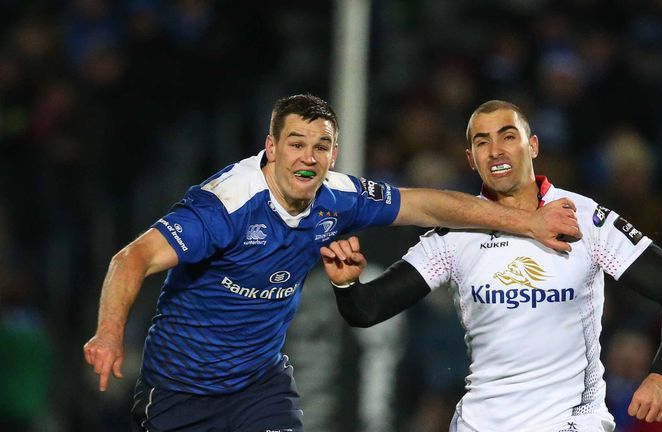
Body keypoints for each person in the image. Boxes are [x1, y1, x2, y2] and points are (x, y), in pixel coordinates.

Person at [82, 94, 581, 432]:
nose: (309, 157)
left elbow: (428, 205)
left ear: (333, 152)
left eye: (321, 147)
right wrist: (108, 333)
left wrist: (529, 223)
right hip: (179, 392)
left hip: (259, 386)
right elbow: (132, 258)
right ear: (272, 148)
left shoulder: (337, 198)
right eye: (296, 144)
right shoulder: (225, 207)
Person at [321, 100, 662, 432]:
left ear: (532, 146)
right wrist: (346, 284)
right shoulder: (455, 234)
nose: (495, 151)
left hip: (570, 423)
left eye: (507, 136)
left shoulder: (585, 218)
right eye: (481, 142)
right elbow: (367, 309)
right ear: (470, 159)